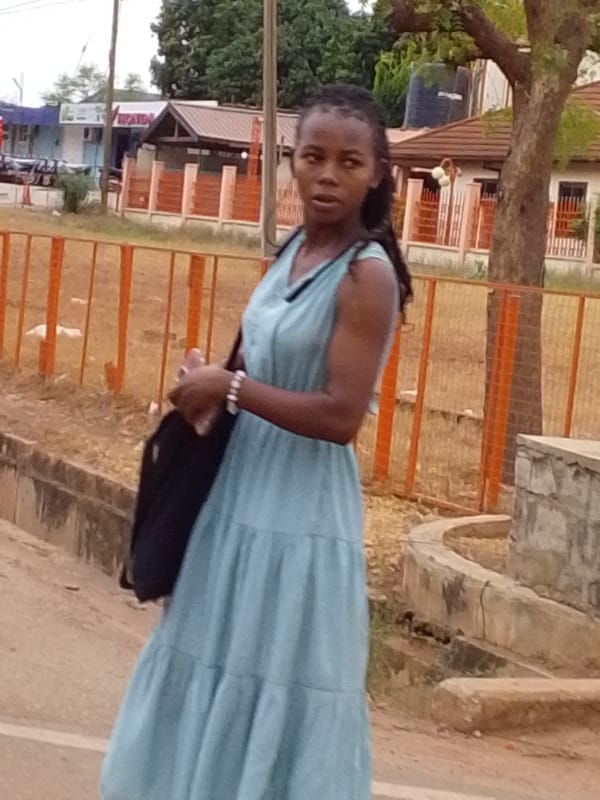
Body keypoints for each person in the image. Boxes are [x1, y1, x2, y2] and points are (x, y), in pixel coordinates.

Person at [100, 84, 412, 800]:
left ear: (377, 174)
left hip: (299, 519)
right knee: (206, 660)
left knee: (274, 681)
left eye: (349, 162)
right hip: (234, 496)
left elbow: (341, 416)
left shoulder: (367, 276)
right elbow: (258, 367)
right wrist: (209, 382)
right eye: (313, 157)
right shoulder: (294, 248)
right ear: (291, 163)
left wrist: (232, 389)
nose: (328, 175)